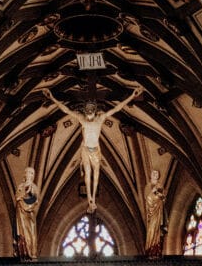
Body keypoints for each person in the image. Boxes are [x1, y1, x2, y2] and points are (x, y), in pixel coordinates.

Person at [42, 82, 143, 212]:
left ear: (94, 110)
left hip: (95, 150)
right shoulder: (82, 119)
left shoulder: (100, 119)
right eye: (87, 109)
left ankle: (93, 199)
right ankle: (90, 198)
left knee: (96, 174)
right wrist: (52, 98)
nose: (89, 112)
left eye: (91, 109)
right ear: (85, 110)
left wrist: (132, 96)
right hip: (85, 149)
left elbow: (117, 108)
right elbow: (65, 110)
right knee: (88, 173)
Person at [14, 166, 39, 259]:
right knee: (21, 232)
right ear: (25, 174)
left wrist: (29, 192)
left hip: (30, 214)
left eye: (32, 173)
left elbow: (35, 200)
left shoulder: (34, 187)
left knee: (30, 233)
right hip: (20, 213)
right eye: (28, 172)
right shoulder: (20, 186)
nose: (30, 175)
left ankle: (31, 252)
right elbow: (17, 197)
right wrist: (20, 198)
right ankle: (22, 252)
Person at [144, 168, 167, 258]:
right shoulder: (148, 186)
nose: (155, 175)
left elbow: (164, 198)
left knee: (158, 230)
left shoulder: (160, 186)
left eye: (157, 174)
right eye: (153, 173)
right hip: (152, 212)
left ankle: (157, 250)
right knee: (152, 229)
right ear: (151, 175)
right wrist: (154, 193)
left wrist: (161, 196)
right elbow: (148, 199)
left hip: (159, 211)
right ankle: (150, 249)